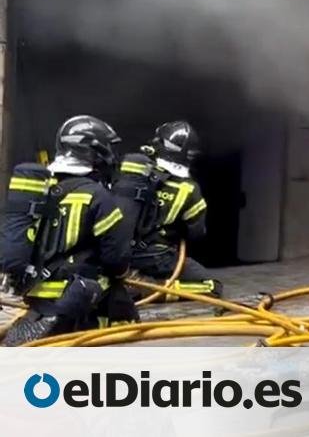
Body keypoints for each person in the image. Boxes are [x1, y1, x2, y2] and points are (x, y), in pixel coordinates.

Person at [1, 115, 132, 345]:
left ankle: (43, 323)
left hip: (35, 294)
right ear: (94, 152)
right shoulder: (98, 196)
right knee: (123, 308)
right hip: (76, 298)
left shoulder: (39, 189)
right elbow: (116, 259)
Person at [121, 121, 222, 298]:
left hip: (117, 252)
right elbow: (197, 233)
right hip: (157, 258)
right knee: (212, 286)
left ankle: (129, 282)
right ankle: (150, 289)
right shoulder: (189, 189)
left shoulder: (129, 170)